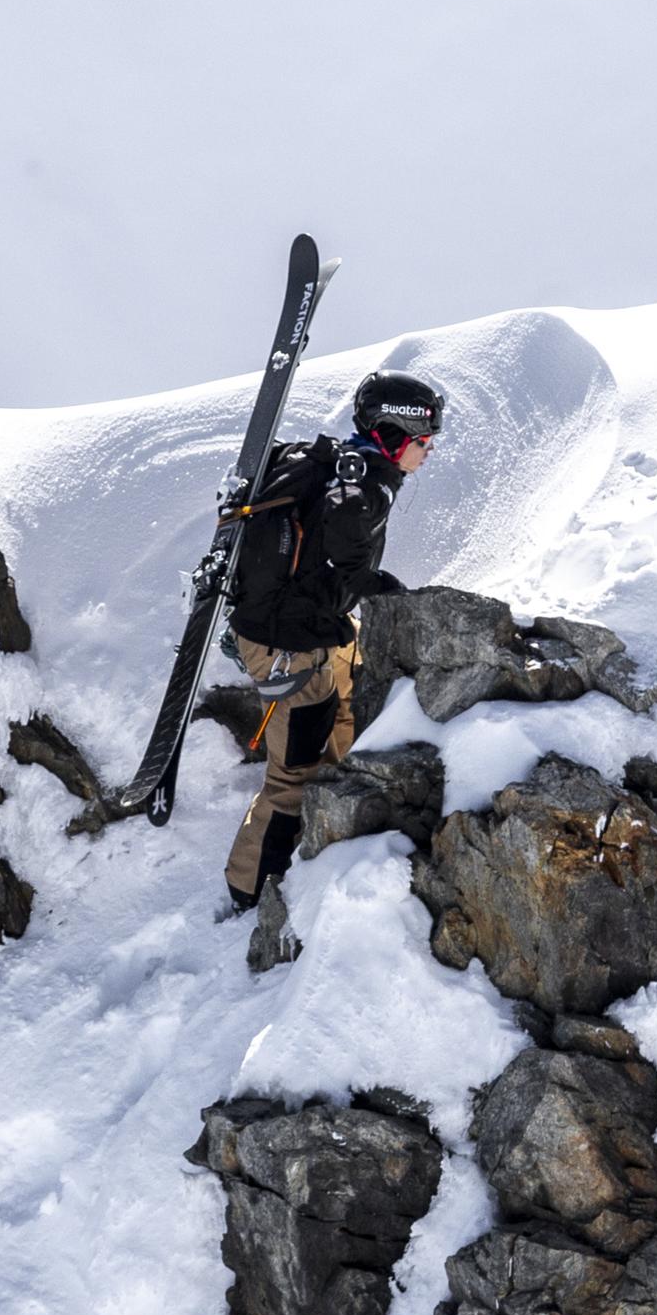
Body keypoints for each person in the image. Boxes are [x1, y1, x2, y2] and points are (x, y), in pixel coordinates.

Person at [221, 368, 447, 909]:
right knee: (293, 776)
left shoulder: (346, 469)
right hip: (289, 648)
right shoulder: (357, 488)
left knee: (349, 726)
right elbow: (346, 567)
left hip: (316, 632)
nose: (429, 451)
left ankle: (334, 839)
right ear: (395, 435)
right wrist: (382, 587)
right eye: (423, 440)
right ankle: (249, 891)